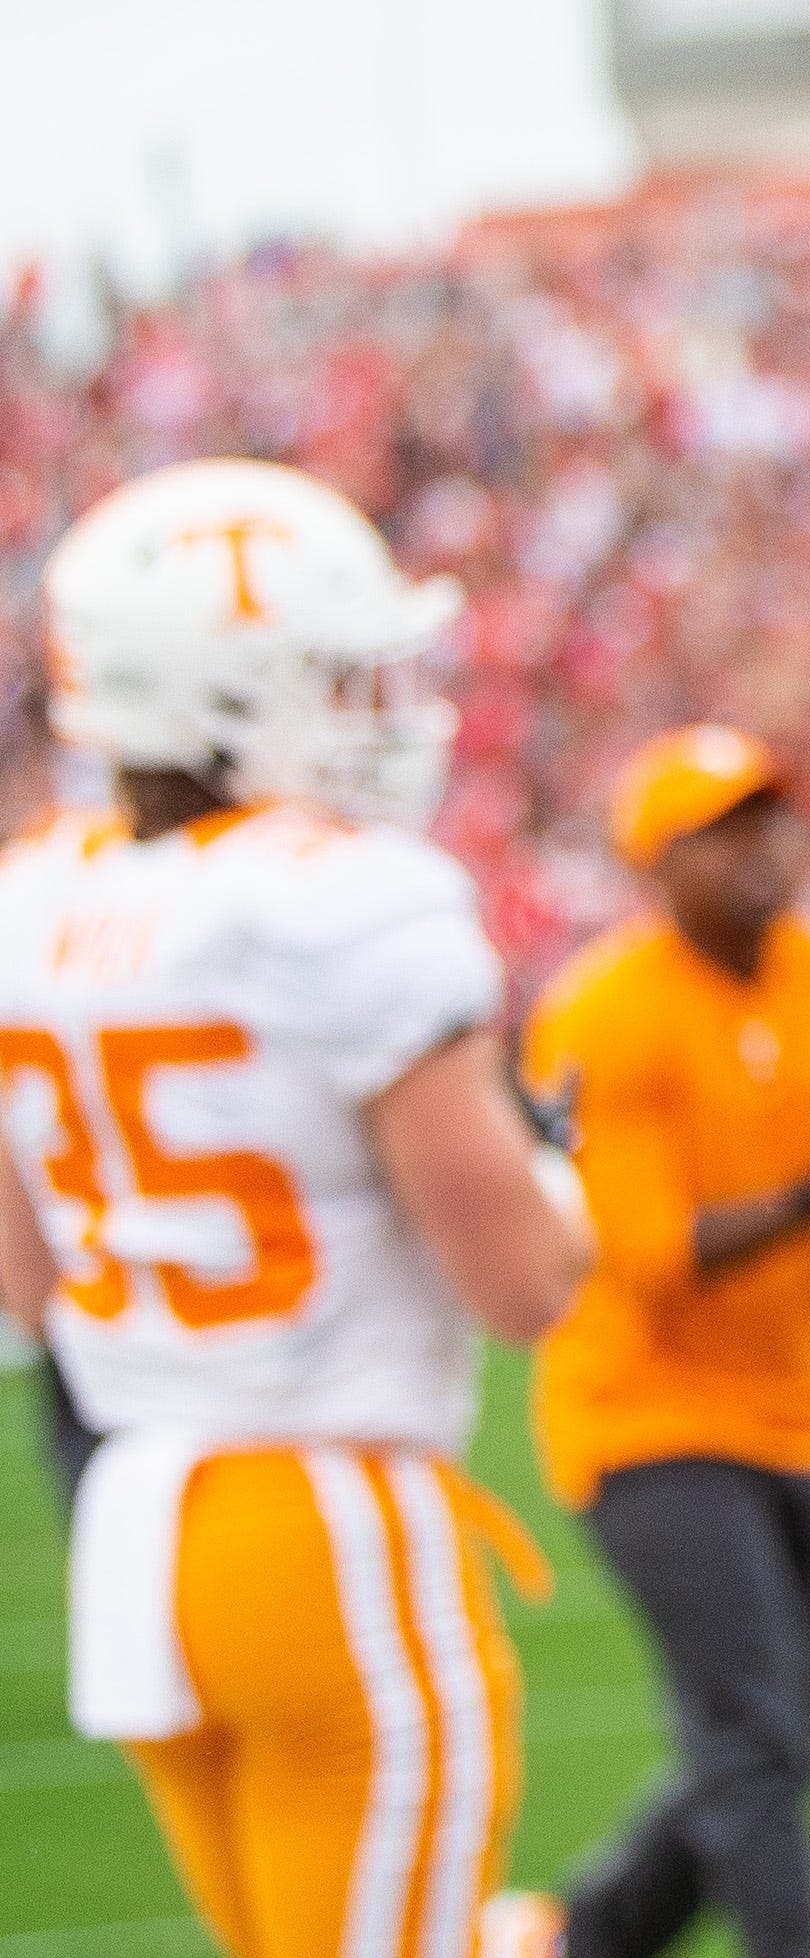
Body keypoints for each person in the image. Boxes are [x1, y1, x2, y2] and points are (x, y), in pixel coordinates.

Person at [0, 458, 588, 1958]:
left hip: (139, 1534)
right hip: (327, 1523)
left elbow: (27, 1285)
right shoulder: (338, 897)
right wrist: (560, 1174)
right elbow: (525, 1283)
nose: (372, 711)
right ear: (224, 693)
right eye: (333, 675)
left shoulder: (28, 897)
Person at [485, 726, 810, 1958]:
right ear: (652, 865)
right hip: (646, 1410)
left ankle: (577, 1944)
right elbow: (648, 1253)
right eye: (720, 833)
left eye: (766, 822)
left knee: (776, 1746)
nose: (758, 853)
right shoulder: (600, 1014)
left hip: (801, 1406)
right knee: (756, 1745)